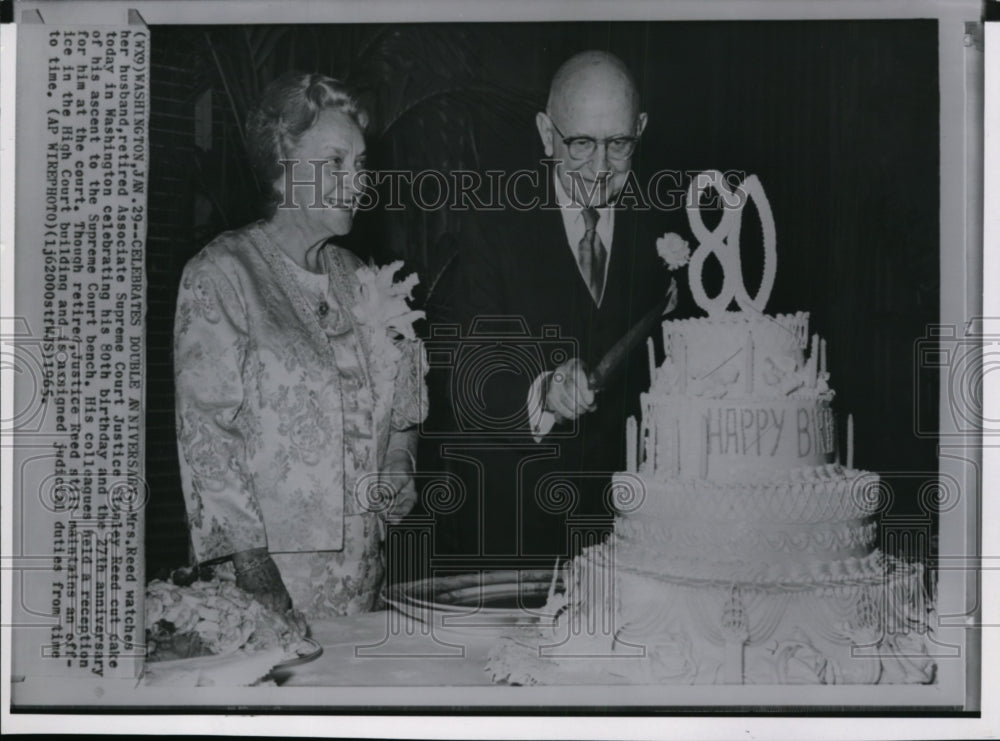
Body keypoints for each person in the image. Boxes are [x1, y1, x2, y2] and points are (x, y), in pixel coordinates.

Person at [173, 72, 427, 620]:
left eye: (359, 165)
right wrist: (255, 577)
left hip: (362, 589)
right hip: (266, 592)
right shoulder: (223, 273)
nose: (356, 180)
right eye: (335, 162)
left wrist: (400, 459)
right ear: (284, 168)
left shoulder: (363, 279)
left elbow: (402, 410)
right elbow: (207, 440)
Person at [441, 50, 689, 566]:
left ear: (640, 129)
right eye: (580, 143)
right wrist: (544, 393)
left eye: (619, 144)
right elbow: (469, 379)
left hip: (633, 543)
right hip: (515, 539)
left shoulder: (672, 225)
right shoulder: (493, 223)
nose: (600, 169)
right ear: (545, 133)